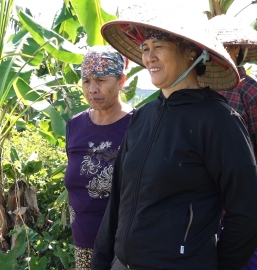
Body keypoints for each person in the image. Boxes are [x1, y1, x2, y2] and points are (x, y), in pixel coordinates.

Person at [90, 5, 257, 270]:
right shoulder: (142, 116)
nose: (149, 57)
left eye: (160, 46)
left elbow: (247, 213)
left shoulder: (219, 121)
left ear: (192, 51)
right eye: (145, 48)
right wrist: (101, 261)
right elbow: (118, 201)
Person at [64, 46, 133, 269]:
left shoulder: (138, 124)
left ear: (121, 80)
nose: (92, 89)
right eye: (86, 81)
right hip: (83, 241)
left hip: (124, 245)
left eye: (101, 80)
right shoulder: (75, 124)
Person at [210, 14, 257, 270]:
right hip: (207, 209)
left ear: (237, 49)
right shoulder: (201, 92)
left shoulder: (250, 92)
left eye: (223, 46)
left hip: (239, 210)